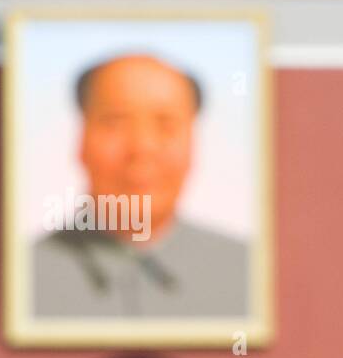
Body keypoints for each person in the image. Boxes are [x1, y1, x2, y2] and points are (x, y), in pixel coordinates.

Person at [31, 54, 249, 318]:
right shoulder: (24, 275)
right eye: (115, 122)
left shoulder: (248, 273)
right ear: (80, 141)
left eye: (166, 125)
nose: (142, 148)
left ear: (194, 144)